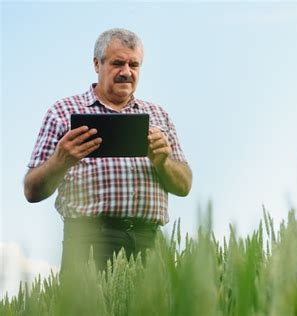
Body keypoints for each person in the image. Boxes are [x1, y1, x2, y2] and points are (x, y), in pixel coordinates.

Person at [24, 28, 192, 270]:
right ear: (96, 64)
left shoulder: (158, 115)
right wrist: (61, 161)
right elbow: (32, 190)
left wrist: (163, 161)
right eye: (117, 63)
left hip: (150, 240)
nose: (126, 72)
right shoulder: (62, 112)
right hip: (89, 241)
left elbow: (184, 186)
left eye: (134, 64)